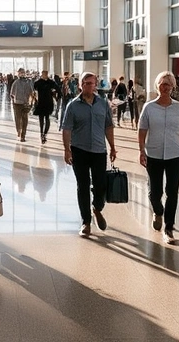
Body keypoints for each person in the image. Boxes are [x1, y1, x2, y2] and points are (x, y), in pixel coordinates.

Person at [138, 72, 179, 245]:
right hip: (153, 154)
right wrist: (141, 150)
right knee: (154, 192)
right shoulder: (149, 107)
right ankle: (158, 211)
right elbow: (142, 130)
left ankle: (169, 228)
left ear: (173, 87)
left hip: (174, 154)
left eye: (169, 84)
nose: (166, 87)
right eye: (163, 84)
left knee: (172, 192)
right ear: (157, 86)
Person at [61, 71, 116, 237]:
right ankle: (86, 221)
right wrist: (66, 149)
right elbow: (67, 128)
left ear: (96, 84)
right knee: (83, 186)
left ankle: (97, 208)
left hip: (99, 150)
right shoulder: (73, 105)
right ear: (80, 85)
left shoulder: (103, 104)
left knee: (101, 185)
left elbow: (108, 126)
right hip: (79, 150)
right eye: (85, 83)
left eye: (91, 83)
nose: (89, 86)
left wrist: (113, 147)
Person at [32, 70, 60, 144]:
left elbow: (57, 89)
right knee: (42, 119)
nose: (45, 75)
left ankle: (44, 134)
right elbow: (34, 91)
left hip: (47, 103)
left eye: (46, 74)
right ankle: (42, 134)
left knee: (47, 118)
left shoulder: (50, 82)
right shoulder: (39, 82)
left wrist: (56, 96)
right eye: (44, 74)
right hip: (41, 103)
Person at [10, 67, 34, 142]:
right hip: (17, 103)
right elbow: (12, 94)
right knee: (18, 119)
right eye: (20, 72)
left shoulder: (28, 83)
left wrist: (31, 102)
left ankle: (23, 135)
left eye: (23, 72)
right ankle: (19, 131)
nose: (22, 74)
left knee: (24, 120)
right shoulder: (16, 83)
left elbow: (31, 93)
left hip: (25, 103)